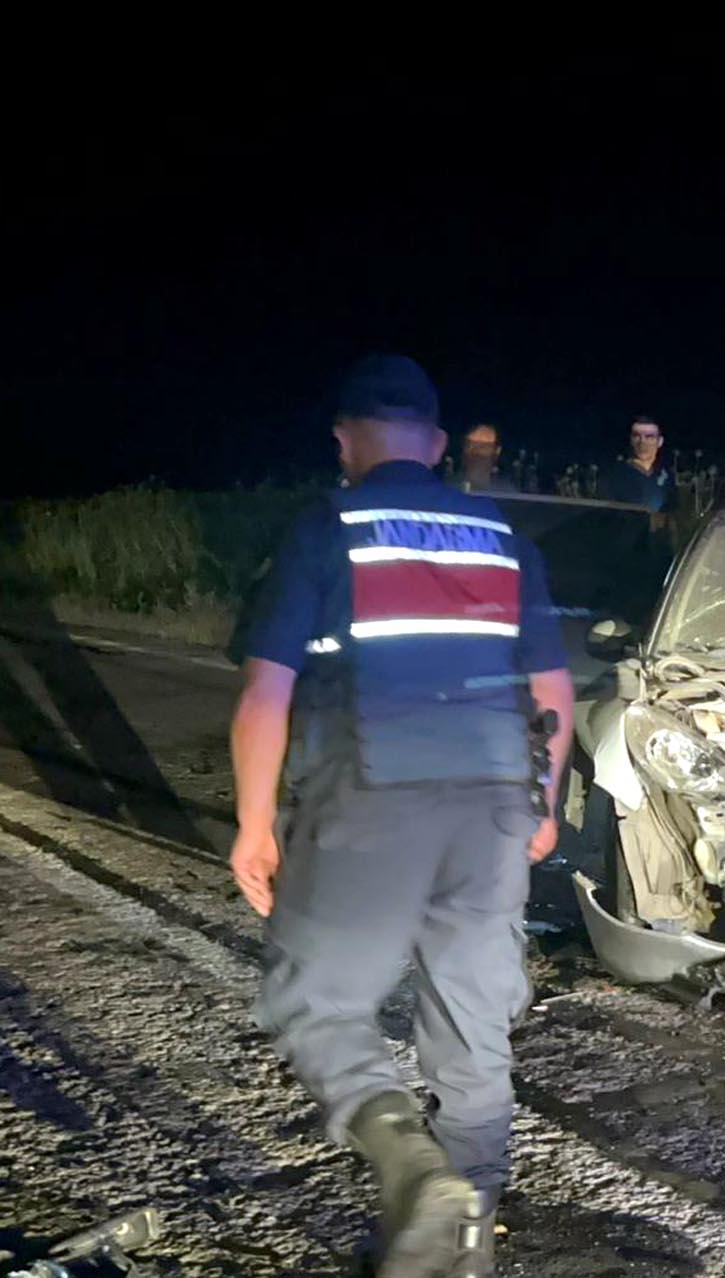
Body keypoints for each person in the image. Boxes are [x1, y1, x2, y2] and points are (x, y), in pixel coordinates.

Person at [230, 354, 574, 1277]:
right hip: (498, 804)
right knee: (473, 1024)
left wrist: (254, 826)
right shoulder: (503, 533)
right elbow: (552, 687)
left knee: (320, 1001)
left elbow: (267, 693)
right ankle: (467, 1242)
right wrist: (544, 804)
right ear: (433, 443)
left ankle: (416, 1179)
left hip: (374, 797)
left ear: (346, 441)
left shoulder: (325, 526)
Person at [597, 415, 673, 510]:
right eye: (637, 436)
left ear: (660, 441)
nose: (642, 441)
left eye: (649, 437)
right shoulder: (613, 475)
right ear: (631, 440)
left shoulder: (668, 476)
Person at [457, 423, 501, 493]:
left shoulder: (507, 493)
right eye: (472, 446)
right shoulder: (447, 487)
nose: (477, 453)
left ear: (496, 451)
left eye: (484, 447)